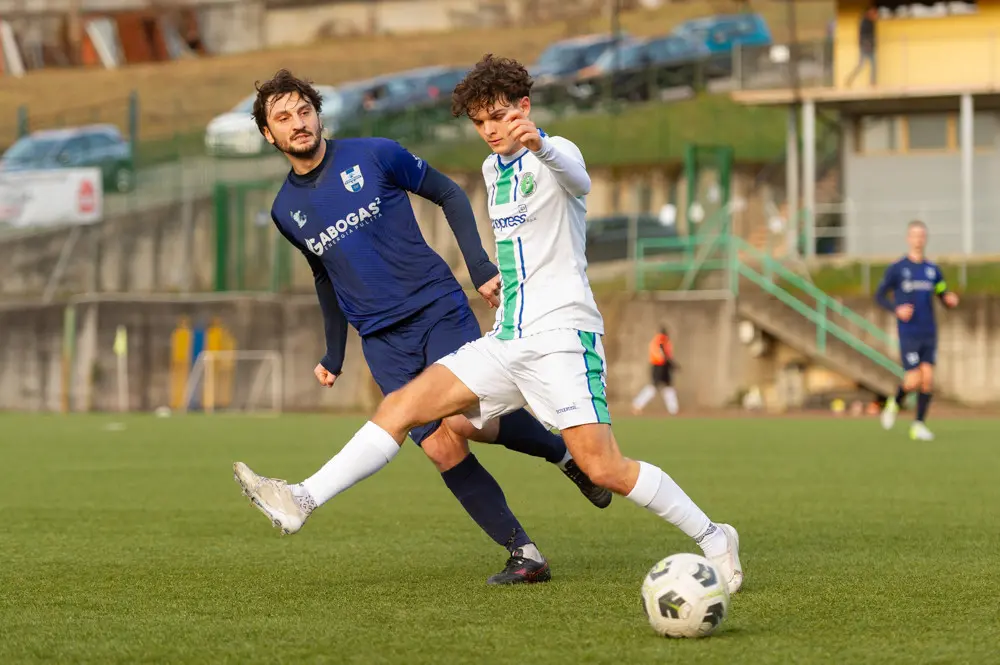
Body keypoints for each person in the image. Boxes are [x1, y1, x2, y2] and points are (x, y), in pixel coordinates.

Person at [234, 57, 744, 595]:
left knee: (604, 468)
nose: (492, 131)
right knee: (402, 410)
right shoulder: (491, 170)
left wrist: (540, 145)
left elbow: (577, 176)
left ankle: (714, 536)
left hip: (562, 337)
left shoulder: (557, 152)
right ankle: (301, 499)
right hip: (508, 337)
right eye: (481, 123)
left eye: (501, 117)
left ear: (524, 108)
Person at [876, 220, 960, 441]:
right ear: (908, 238)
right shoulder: (897, 268)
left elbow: (942, 291)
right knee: (913, 379)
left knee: (928, 380)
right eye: (914, 235)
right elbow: (879, 295)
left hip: (929, 331)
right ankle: (895, 402)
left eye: (922, 235)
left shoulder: (932, 270)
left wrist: (948, 299)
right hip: (909, 332)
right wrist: (897, 309)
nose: (918, 239)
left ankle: (918, 424)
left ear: (926, 239)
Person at [631, 326, 679, 416]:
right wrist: (672, 364)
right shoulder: (661, 340)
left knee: (668, 388)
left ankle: (673, 409)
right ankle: (637, 404)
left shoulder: (658, 340)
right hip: (659, 366)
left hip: (662, 366)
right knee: (654, 387)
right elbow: (663, 352)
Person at [845, 4, 878, 87]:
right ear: (868, 12)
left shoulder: (871, 22)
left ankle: (872, 83)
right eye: (873, 12)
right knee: (861, 65)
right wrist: (866, 45)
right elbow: (862, 36)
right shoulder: (864, 22)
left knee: (873, 64)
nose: (875, 14)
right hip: (865, 47)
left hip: (871, 46)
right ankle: (850, 79)